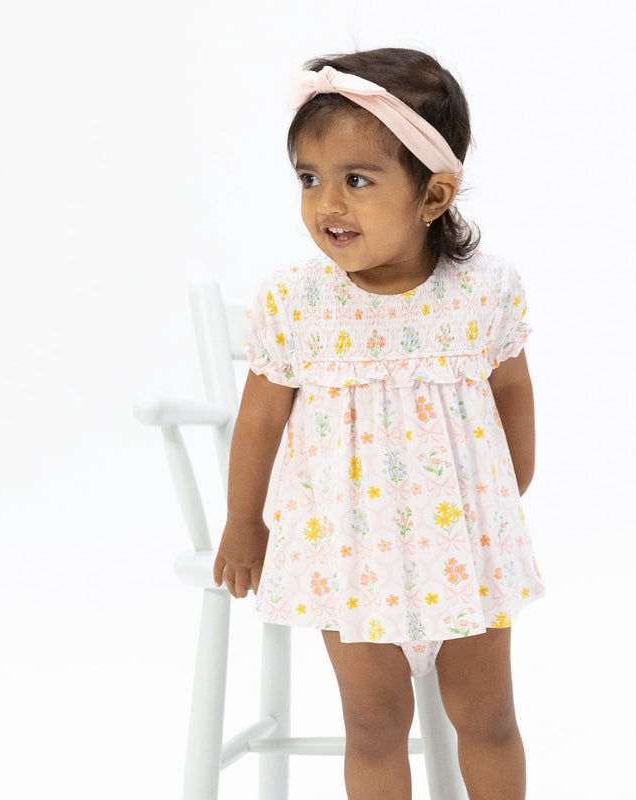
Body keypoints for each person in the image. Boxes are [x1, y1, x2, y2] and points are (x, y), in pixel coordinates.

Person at [213, 47, 545, 800]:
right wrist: (243, 520)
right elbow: (260, 418)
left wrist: (507, 489)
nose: (327, 204)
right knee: (373, 722)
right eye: (309, 179)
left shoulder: (483, 290)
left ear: (434, 195)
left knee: (488, 716)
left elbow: (512, 387)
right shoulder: (298, 302)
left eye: (356, 180)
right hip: (348, 547)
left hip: (465, 543)